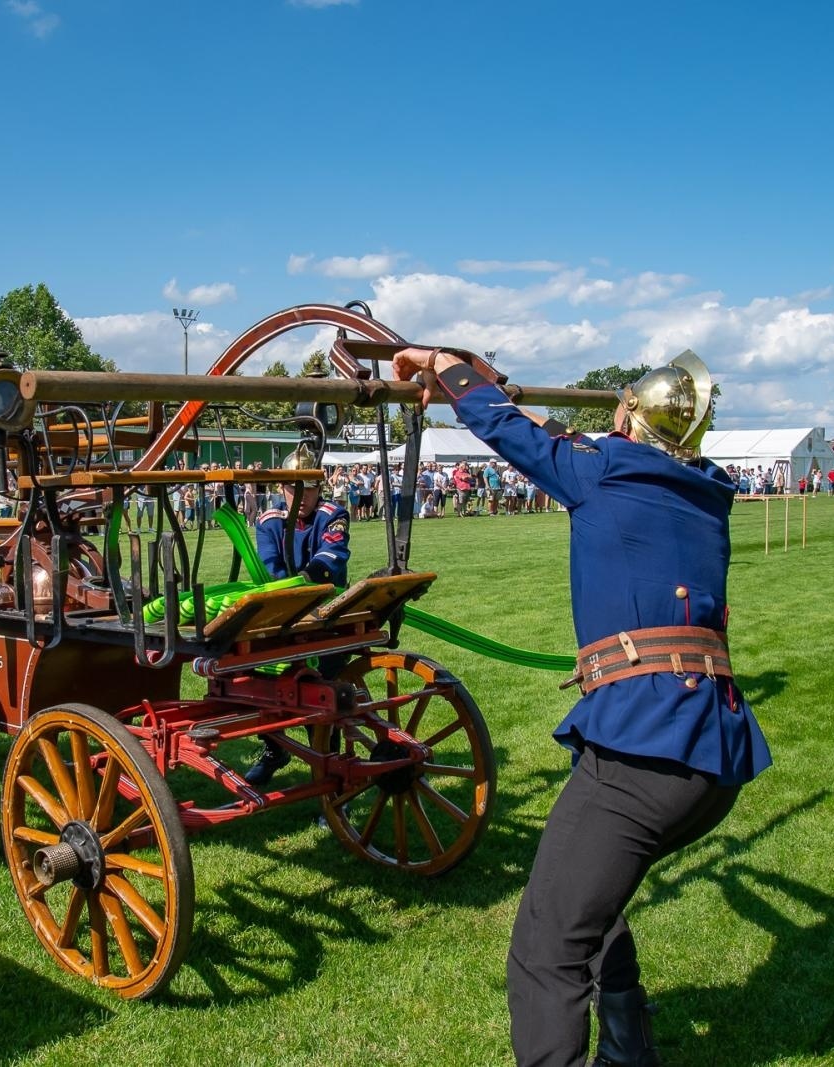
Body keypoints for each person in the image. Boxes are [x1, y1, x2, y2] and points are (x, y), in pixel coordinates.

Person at [393, 347, 772, 1067]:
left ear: (626, 418)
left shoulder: (605, 471)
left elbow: (516, 435)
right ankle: (629, 1050)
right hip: (709, 756)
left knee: (546, 947)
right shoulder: (700, 488)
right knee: (588, 900)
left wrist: (446, 366)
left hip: (644, 753)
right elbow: (563, 440)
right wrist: (480, 381)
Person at [245, 447, 351, 786]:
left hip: (327, 617)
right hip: (283, 615)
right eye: (294, 488)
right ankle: (274, 747)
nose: (302, 496)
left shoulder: (333, 514)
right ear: (282, 488)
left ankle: (329, 766)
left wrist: (304, 582)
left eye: (309, 488)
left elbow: (332, 556)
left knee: (322, 692)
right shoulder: (269, 521)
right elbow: (270, 567)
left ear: (319, 488)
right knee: (253, 679)